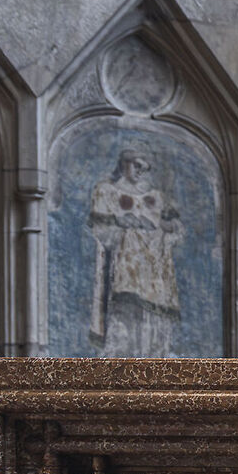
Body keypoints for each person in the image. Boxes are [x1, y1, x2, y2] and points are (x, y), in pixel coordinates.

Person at [88, 147, 182, 357]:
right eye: (136, 165)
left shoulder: (155, 196)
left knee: (154, 322)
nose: (140, 171)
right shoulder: (107, 191)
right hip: (125, 268)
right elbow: (102, 231)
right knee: (125, 317)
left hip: (154, 271)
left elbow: (174, 227)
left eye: (144, 167)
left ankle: (154, 355)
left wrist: (167, 228)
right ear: (124, 164)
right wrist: (123, 223)